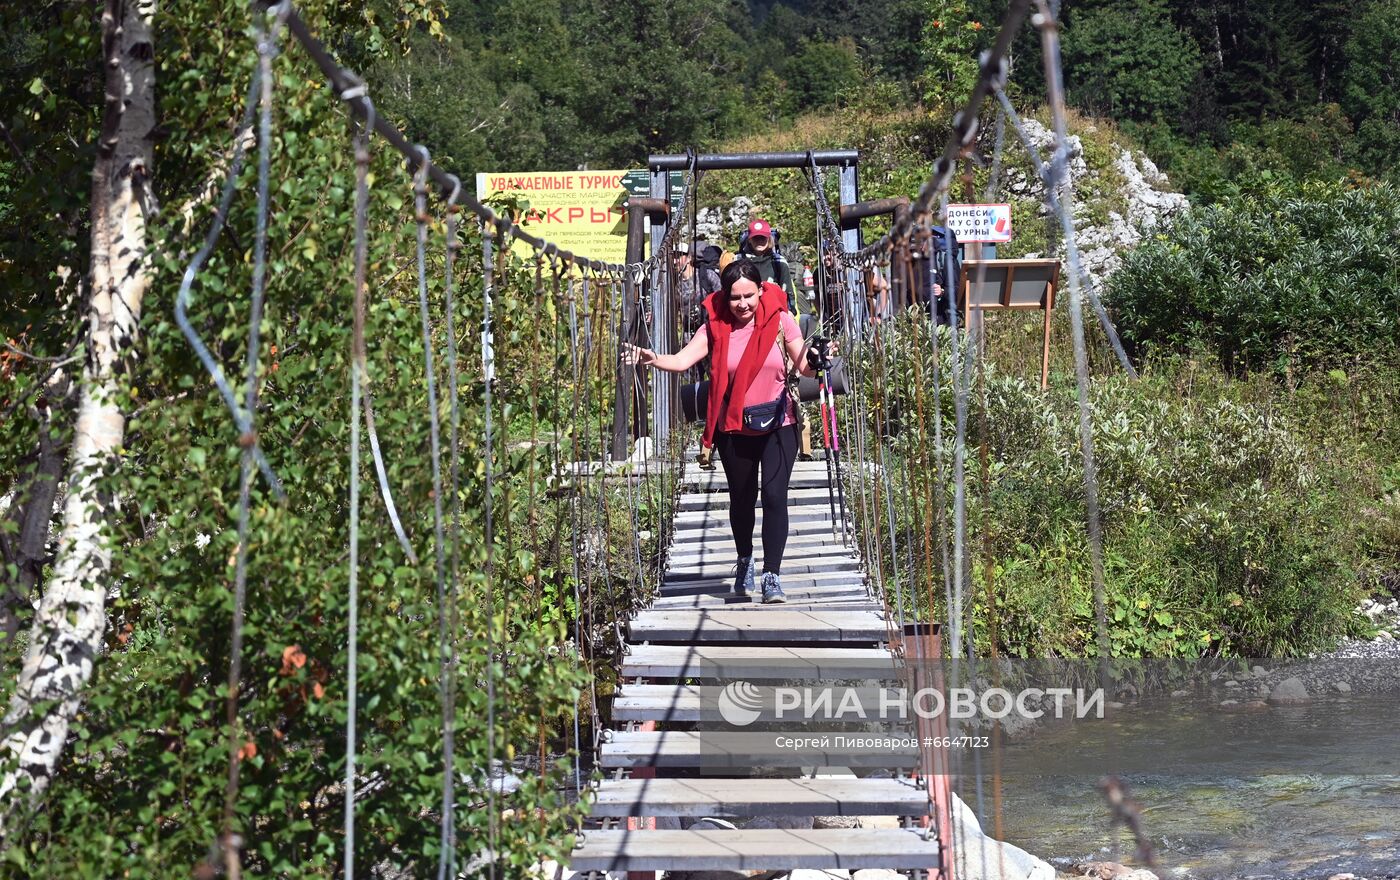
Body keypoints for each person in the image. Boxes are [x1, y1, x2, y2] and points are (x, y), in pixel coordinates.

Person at [622, 259, 830, 605]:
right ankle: (745, 559)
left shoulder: (780, 321)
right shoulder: (715, 327)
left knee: (776, 496)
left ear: (761, 291)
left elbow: (804, 367)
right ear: (725, 296)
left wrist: (819, 359)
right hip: (733, 427)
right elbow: (682, 360)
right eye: (736, 298)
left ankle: (772, 576)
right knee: (742, 499)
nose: (743, 304)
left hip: (781, 423)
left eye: (750, 295)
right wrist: (651, 358)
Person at [738, 218, 797, 313]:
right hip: (744, 311)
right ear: (749, 240)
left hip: (773, 312)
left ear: (769, 239)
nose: (759, 241)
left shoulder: (779, 262)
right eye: (755, 238)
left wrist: (789, 313)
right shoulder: (738, 261)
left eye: (763, 238)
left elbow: (788, 293)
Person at [674, 241, 721, 334]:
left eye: (678, 256)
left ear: (689, 258)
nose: (674, 261)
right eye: (673, 257)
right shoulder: (674, 283)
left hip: (711, 330)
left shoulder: (707, 275)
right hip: (688, 334)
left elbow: (722, 299)